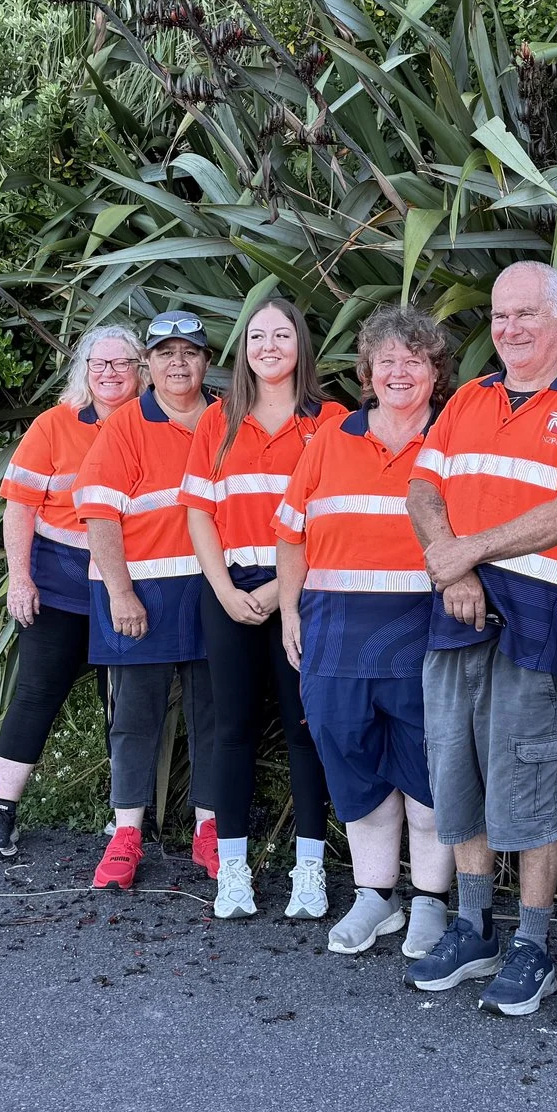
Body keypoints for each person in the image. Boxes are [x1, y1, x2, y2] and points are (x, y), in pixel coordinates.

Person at [405, 261, 557, 1016]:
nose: (510, 329)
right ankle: (475, 927)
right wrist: (452, 564)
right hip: (453, 611)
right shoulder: (468, 397)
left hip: (534, 621)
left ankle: (533, 941)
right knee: (455, 770)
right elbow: (423, 488)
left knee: (526, 783)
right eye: (500, 316)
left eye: (526, 313)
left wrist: (470, 551)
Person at [275, 307, 458, 960]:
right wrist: (290, 612)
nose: (399, 371)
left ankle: (432, 904)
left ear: (436, 372)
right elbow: (290, 533)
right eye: (387, 360)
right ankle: (376, 896)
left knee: (429, 779)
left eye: (414, 359)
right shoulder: (329, 439)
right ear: (367, 371)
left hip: (425, 639)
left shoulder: (453, 440)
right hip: (336, 641)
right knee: (355, 773)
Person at [180, 297, 343, 920]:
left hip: (300, 592)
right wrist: (222, 590)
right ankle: (234, 871)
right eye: (256, 336)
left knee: (307, 731)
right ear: (242, 350)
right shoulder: (217, 421)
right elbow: (199, 512)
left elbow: (334, 518)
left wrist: (282, 591)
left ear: (300, 344)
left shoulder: (331, 422)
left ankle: (309, 871)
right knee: (233, 732)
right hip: (227, 591)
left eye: (280, 335)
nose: (268, 346)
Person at [0, 323, 143, 861]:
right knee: (36, 693)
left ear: (141, 372)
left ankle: (128, 825)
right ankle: (0, 813)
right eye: (100, 364)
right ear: (84, 371)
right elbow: (19, 504)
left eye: (122, 364)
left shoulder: (154, 424)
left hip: (129, 589)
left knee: (126, 706)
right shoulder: (54, 424)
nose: (110, 374)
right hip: (60, 586)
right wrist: (19, 577)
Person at [73, 309, 222, 891]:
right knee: (134, 720)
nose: (177, 363)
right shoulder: (126, 424)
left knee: (215, 714)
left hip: (213, 590)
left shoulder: (227, 418)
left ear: (206, 361)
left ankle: (211, 831)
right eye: (165, 353)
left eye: (189, 352)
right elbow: (99, 514)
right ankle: (125, 835)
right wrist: (119, 591)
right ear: (148, 366)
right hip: (141, 593)